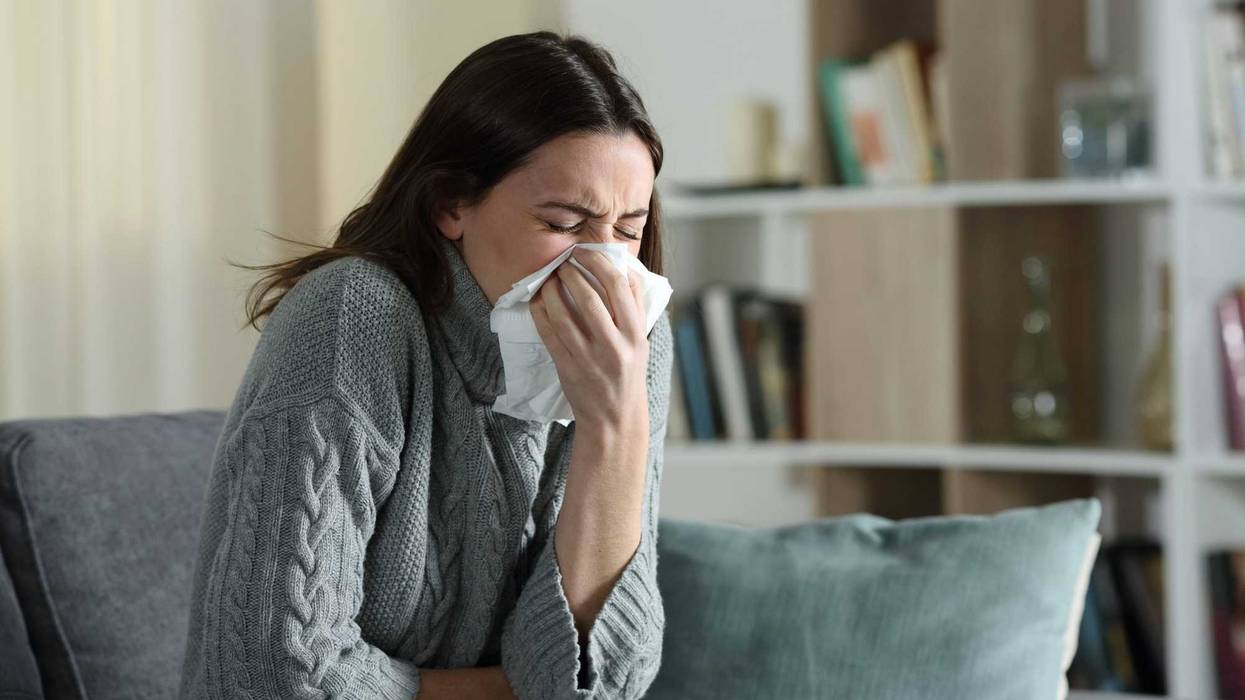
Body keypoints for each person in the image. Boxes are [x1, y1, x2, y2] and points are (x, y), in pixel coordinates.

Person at [176, 30, 672, 700]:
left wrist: (616, 427)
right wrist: (516, 689)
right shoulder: (354, 315)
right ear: (450, 205)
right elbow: (273, 672)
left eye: (626, 229)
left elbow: (610, 681)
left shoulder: (634, 341)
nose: (601, 267)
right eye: (562, 223)